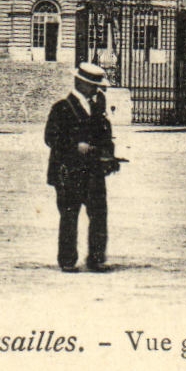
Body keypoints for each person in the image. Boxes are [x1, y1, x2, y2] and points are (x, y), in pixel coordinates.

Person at [44, 62, 117, 272]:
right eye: (93, 85)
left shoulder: (97, 107)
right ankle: (67, 260)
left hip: (94, 171)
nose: (97, 90)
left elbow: (105, 135)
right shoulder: (62, 107)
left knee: (99, 213)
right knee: (69, 215)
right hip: (68, 171)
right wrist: (75, 146)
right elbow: (50, 137)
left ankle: (96, 259)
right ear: (81, 84)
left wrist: (108, 155)